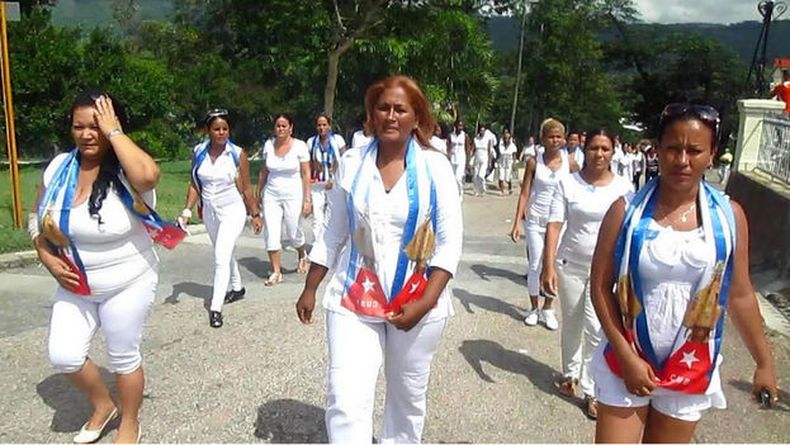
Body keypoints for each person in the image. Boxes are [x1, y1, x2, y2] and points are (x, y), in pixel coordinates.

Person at [590, 103, 778, 443]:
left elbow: (740, 293)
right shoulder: (624, 211)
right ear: (657, 150)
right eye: (673, 148)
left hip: (689, 365)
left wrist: (764, 362)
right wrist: (624, 354)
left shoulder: (729, 218)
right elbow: (601, 287)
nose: (682, 160)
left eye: (694, 150)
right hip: (628, 358)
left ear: (712, 154)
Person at [296, 75, 462, 443]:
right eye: (383, 108)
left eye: (400, 109)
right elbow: (334, 232)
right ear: (371, 115)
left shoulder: (437, 168)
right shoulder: (352, 162)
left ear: (416, 118)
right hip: (356, 298)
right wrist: (310, 287)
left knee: (407, 398)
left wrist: (425, 302)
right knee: (345, 394)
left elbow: (450, 244)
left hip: (417, 302)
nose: (391, 116)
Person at [30, 91, 161, 443]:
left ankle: (129, 423)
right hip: (76, 283)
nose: (88, 134)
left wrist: (114, 132)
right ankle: (104, 405)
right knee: (64, 354)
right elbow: (37, 215)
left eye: (96, 126)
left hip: (128, 280)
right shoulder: (60, 168)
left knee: (123, 356)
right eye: (79, 127)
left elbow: (149, 177)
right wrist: (45, 254)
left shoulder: (126, 167)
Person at [541, 128, 634, 420]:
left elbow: (630, 232)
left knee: (596, 329)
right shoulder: (568, 184)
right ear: (585, 149)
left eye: (605, 149)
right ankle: (570, 376)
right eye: (594, 148)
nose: (599, 154)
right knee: (572, 321)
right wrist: (548, 265)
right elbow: (555, 223)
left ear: (613, 151)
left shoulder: (623, 187)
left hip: (605, 272)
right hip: (570, 264)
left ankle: (593, 391)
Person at [181, 109, 261, 328]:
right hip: (210, 211)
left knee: (220, 256)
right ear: (208, 131)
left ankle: (215, 307)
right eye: (216, 129)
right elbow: (195, 183)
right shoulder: (198, 151)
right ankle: (237, 287)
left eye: (225, 129)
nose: (221, 133)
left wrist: (255, 214)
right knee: (223, 252)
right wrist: (187, 209)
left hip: (232, 210)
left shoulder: (237, 153)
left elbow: (246, 188)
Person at [510, 118, 580, 330]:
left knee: (554, 265)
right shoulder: (534, 161)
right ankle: (534, 308)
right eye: (551, 136)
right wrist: (517, 223)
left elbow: (578, 191)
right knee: (535, 264)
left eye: (559, 136)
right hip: (535, 220)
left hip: (558, 222)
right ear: (543, 138)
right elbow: (525, 193)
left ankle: (548, 307)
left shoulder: (571, 163)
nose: (555, 140)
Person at [257, 113, 312, 285]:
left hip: (293, 192)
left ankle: (302, 253)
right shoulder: (268, 145)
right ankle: (276, 271)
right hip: (272, 194)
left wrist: (307, 199)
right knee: (271, 231)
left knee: (292, 229)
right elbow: (264, 171)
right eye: (278, 126)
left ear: (291, 128)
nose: (281, 129)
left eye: (284, 126)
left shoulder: (300, 146)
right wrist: (259, 191)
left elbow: (305, 173)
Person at [306, 113, 347, 243]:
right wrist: (310, 177)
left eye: (324, 125)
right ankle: (317, 245)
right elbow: (308, 162)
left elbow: (344, 161)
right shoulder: (311, 142)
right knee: (317, 217)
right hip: (318, 184)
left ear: (329, 126)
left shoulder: (337, 140)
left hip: (334, 183)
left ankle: (335, 243)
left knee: (334, 215)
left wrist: (334, 177)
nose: (321, 128)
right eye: (319, 125)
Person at [472, 124, 495, 196]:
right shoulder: (476, 138)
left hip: (484, 156)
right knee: (475, 175)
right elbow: (473, 148)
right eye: (481, 130)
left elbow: (489, 150)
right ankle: (476, 190)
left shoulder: (488, 139)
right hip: (477, 155)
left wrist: (490, 161)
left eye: (483, 130)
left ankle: (482, 189)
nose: (482, 132)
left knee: (481, 175)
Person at [448, 120, 469, 198]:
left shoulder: (465, 136)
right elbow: (448, 146)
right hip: (453, 159)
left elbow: (467, 149)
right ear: (455, 126)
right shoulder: (451, 135)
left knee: (458, 178)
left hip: (461, 159)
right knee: (452, 178)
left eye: (462, 126)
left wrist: (468, 162)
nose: (460, 128)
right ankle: (454, 194)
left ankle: (460, 193)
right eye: (459, 126)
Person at [497, 128, 517, 195]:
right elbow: (499, 152)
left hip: (509, 160)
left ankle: (510, 188)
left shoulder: (512, 144)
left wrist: (514, 163)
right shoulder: (501, 143)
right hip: (502, 159)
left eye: (508, 138)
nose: (506, 139)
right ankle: (502, 190)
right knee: (501, 175)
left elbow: (514, 153)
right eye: (505, 138)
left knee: (508, 176)